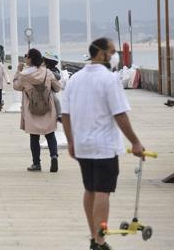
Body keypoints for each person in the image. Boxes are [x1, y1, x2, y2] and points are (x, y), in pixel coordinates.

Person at [61, 38, 145, 250]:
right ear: (100, 54)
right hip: (104, 146)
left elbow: (66, 114)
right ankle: (100, 241)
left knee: (89, 190)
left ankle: (93, 236)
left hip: (82, 145)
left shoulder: (75, 79)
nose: (114, 55)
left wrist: (71, 141)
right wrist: (135, 142)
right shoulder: (109, 79)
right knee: (102, 192)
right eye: (112, 51)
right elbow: (120, 115)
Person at [13, 48, 62, 172]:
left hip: (31, 110)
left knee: (34, 137)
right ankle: (54, 156)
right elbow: (58, 87)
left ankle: (36, 163)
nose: (25, 58)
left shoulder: (24, 75)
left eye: (26, 56)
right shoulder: (47, 72)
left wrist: (18, 72)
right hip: (48, 108)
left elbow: (16, 86)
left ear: (30, 58)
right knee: (50, 134)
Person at [43, 51, 63, 122]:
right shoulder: (42, 68)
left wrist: (48, 72)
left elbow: (58, 76)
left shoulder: (54, 70)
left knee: (56, 100)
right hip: (41, 88)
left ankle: (59, 115)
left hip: (50, 89)